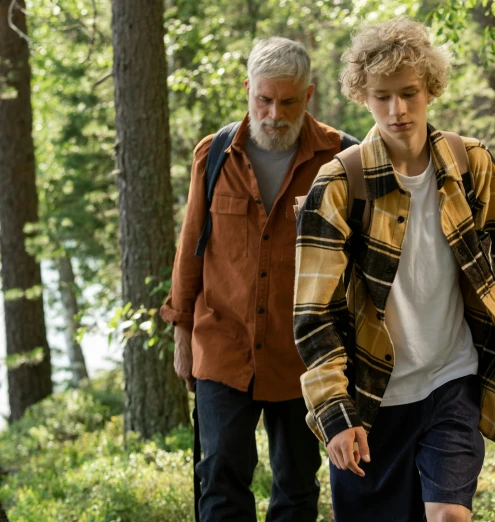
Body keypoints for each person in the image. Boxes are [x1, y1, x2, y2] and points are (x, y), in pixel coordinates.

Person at [293, 16, 495, 522]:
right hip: (373, 397)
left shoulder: (472, 164)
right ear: (363, 96)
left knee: (449, 515)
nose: (397, 110)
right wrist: (335, 414)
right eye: (382, 96)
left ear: (431, 89)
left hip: (452, 376)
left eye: (409, 93)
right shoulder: (338, 184)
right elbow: (313, 313)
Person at [161, 37, 357, 522]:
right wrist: (182, 332)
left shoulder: (341, 158)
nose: (273, 113)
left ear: (308, 96)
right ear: (248, 89)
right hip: (222, 346)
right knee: (220, 475)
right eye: (263, 100)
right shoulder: (215, 154)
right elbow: (190, 250)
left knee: (296, 483)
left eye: (287, 102)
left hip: (303, 353)